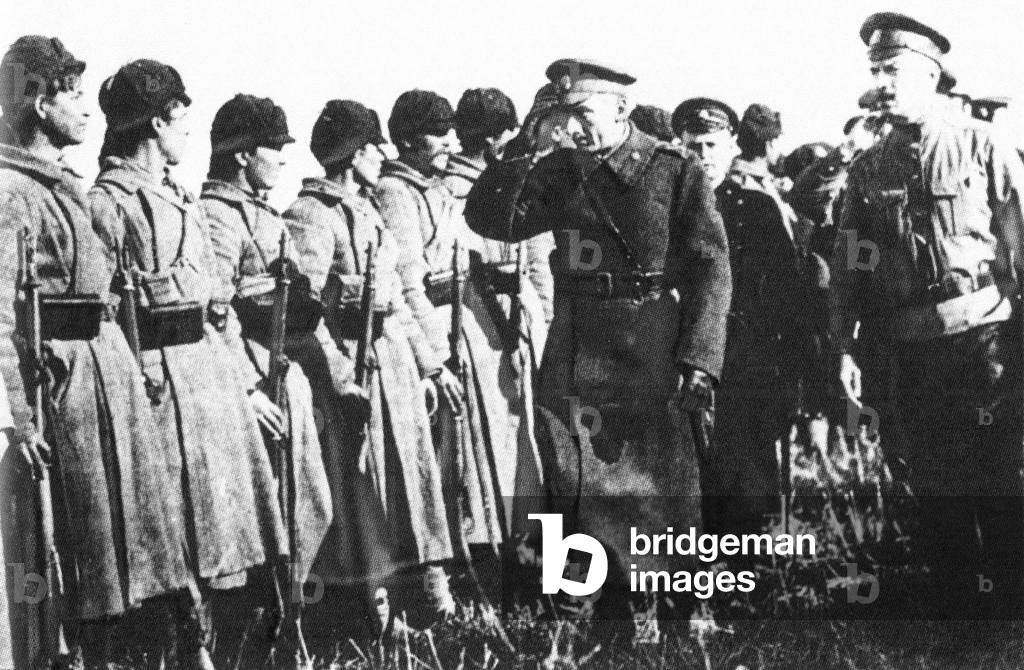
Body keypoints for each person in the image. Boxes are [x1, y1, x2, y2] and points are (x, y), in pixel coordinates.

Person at [465, 59, 731, 642]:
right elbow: (490, 218)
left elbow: (712, 266)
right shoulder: (559, 171)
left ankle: (663, 614)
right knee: (573, 483)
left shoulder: (673, 170)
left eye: (583, 114)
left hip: (654, 342)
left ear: (621, 110)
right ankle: (576, 621)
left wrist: (699, 357)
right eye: (565, 117)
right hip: (577, 339)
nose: (576, 129)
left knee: (660, 488)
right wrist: (522, 144)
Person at [0, 37, 192, 670]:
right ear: (37, 101)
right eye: (74, 97)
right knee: (80, 547)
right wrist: (17, 418)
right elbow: (1, 316)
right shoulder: (9, 190)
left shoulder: (67, 185)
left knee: (126, 544)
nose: (87, 111)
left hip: (106, 371)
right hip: (60, 383)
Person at [89, 59, 288, 667]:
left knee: (226, 541)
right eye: (182, 117)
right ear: (158, 119)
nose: (187, 132)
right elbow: (101, 319)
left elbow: (212, 309)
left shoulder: (177, 199)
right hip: (153, 391)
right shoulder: (107, 204)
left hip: (211, 383)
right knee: (173, 547)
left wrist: (246, 387)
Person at [831, 12, 1024, 618]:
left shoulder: (982, 145)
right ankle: (956, 610)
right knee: (933, 478)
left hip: (983, 340)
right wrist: (842, 347)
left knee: (996, 474)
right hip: (910, 349)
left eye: (892, 70)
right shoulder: (868, 170)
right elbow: (852, 267)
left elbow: (1019, 245)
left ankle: (1010, 605)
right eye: (875, 70)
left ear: (930, 74)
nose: (882, 81)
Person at [283, 99, 454, 630]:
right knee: (362, 486)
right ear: (355, 154)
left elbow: (398, 294)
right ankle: (373, 606)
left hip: (391, 360)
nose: (384, 153)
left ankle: (423, 595)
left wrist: (425, 367)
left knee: (409, 480)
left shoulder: (368, 208)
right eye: (375, 145)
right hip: (350, 371)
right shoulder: (310, 215)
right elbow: (302, 313)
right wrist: (337, 374)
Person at [376, 88, 525, 612]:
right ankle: (442, 584)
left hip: (463, 320)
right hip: (435, 331)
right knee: (445, 461)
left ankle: (478, 573)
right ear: (412, 140)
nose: (448, 144)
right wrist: (434, 358)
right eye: (439, 136)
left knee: (471, 457)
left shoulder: (432, 187)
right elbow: (408, 282)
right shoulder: (395, 194)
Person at [198, 93, 332, 666]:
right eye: (275, 149)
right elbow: (211, 316)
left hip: (284, 377)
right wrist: (245, 393)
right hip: (247, 391)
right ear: (243, 156)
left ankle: (288, 631)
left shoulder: (265, 217)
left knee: (304, 509)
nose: (283, 160)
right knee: (249, 532)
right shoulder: (214, 217)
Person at [445, 88, 553, 600]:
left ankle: (533, 551)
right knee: (493, 443)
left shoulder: (517, 184)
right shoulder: (454, 189)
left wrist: (544, 320)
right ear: (488, 139)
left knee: (527, 438)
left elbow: (537, 261)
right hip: (479, 324)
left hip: (521, 318)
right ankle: (496, 559)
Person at [710, 103, 822, 533]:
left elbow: (783, 284)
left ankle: (749, 555)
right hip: (722, 344)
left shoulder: (758, 201)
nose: (702, 155)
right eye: (694, 145)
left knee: (749, 452)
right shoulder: (752, 194)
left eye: (709, 145)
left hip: (750, 345)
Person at [671, 97, 739, 189]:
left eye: (711, 145)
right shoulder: (670, 195)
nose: (703, 153)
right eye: (694, 146)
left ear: (730, 147)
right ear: (681, 147)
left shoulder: (747, 198)